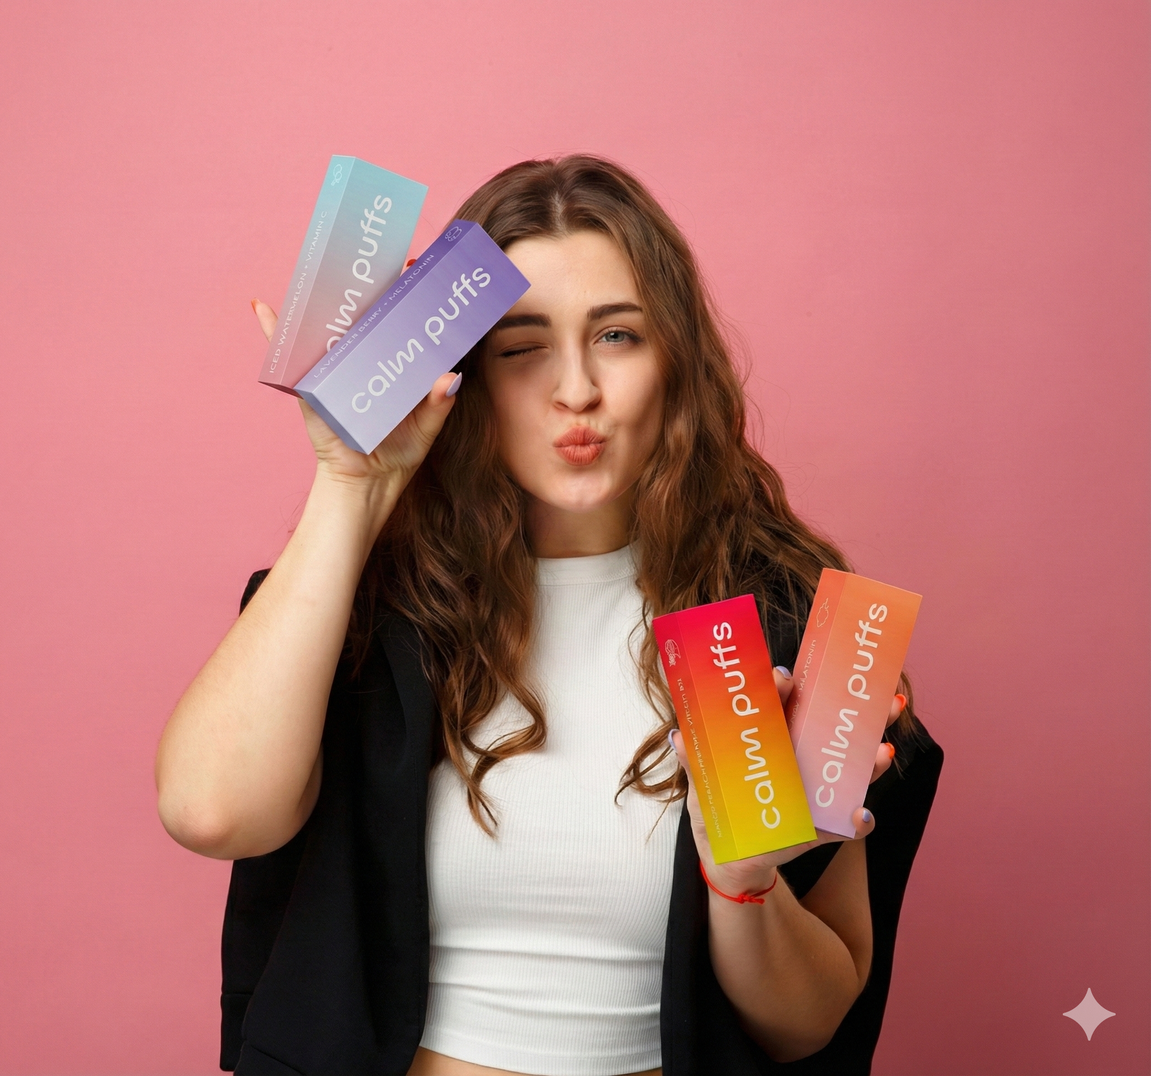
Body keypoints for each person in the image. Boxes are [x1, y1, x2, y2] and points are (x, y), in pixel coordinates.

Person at [155, 155, 942, 1076]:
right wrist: (348, 482)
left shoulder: (784, 633)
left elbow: (807, 1026)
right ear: (468, 375)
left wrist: (745, 883)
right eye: (522, 346)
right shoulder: (367, 612)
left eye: (617, 336)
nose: (577, 389)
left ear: (678, 361)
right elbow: (210, 814)